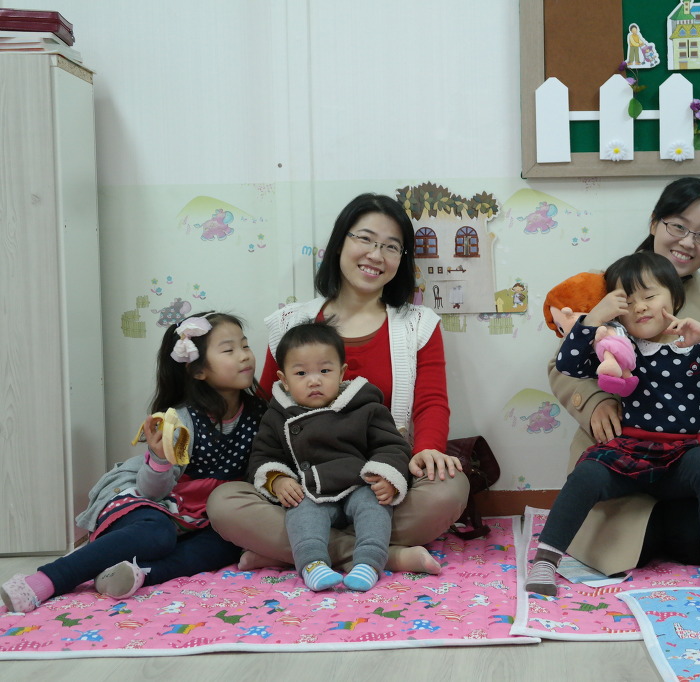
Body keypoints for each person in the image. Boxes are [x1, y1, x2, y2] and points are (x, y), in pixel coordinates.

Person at [207, 193, 468, 576]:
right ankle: (385, 554)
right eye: (365, 239)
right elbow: (267, 410)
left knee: (450, 488)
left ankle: (295, 549)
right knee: (223, 502)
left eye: (391, 246)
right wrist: (275, 478)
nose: (376, 255)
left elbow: (431, 402)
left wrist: (428, 449)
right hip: (302, 489)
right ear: (339, 243)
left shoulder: (418, 324)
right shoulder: (291, 323)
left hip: (382, 484)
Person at [547, 177, 700, 577]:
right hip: (618, 449)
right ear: (655, 223)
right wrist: (596, 402)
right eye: (678, 226)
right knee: (632, 538)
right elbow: (563, 363)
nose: (687, 242)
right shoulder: (606, 285)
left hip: (685, 456)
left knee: (692, 537)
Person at [527, 252, 700, 595]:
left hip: (686, 455)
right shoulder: (620, 348)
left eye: (650, 296)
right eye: (628, 302)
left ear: (675, 299)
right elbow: (568, 365)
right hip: (631, 453)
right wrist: (593, 319)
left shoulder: (696, 346)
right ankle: (546, 560)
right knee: (587, 473)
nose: (640, 307)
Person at [1, 312, 266, 613]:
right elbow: (152, 491)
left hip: (204, 513)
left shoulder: (260, 413)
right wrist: (160, 458)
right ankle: (47, 579)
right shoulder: (182, 420)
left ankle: (134, 574)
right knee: (157, 534)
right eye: (229, 350)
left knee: (229, 544)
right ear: (197, 370)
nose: (244, 356)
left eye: (245, 345)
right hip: (152, 497)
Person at [249, 321, 411, 592]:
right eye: (301, 373)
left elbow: (392, 446)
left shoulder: (365, 405)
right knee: (300, 510)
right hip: (310, 492)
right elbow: (262, 455)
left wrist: (386, 476)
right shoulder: (276, 416)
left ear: (342, 372)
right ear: (284, 380)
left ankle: (369, 562)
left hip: (359, 484)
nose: (314, 380)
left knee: (375, 505)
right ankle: (312, 564)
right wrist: (277, 479)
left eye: (325, 371)